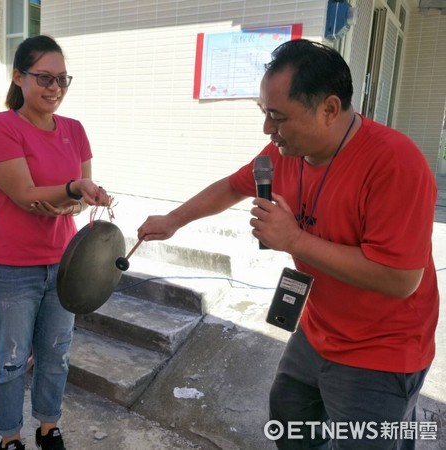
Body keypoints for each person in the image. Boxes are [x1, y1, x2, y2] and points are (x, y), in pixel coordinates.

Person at [137, 39, 439, 449]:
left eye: (277, 118)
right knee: (289, 415)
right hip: (317, 330)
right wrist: (173, 220)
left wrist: (295, 239)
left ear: (329, 109)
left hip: (381, 351)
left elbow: (400, 278)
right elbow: (232, 186)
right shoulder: (285, 151)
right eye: (265, 115)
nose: (267, 130)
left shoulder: (394, 163)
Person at [0, 35, 110, 450]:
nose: (54, 88)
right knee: (11, 359)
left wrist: (79, 199)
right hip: (12, 267)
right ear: (19, 77)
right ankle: (10, 437)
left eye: (62, 80)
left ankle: (49, 427)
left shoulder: (75, 130)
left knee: (57, 356)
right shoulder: (0, 126)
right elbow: (24, 193)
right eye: (44, 78)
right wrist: (70, 189)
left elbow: (76, 194)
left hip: (65, 264)